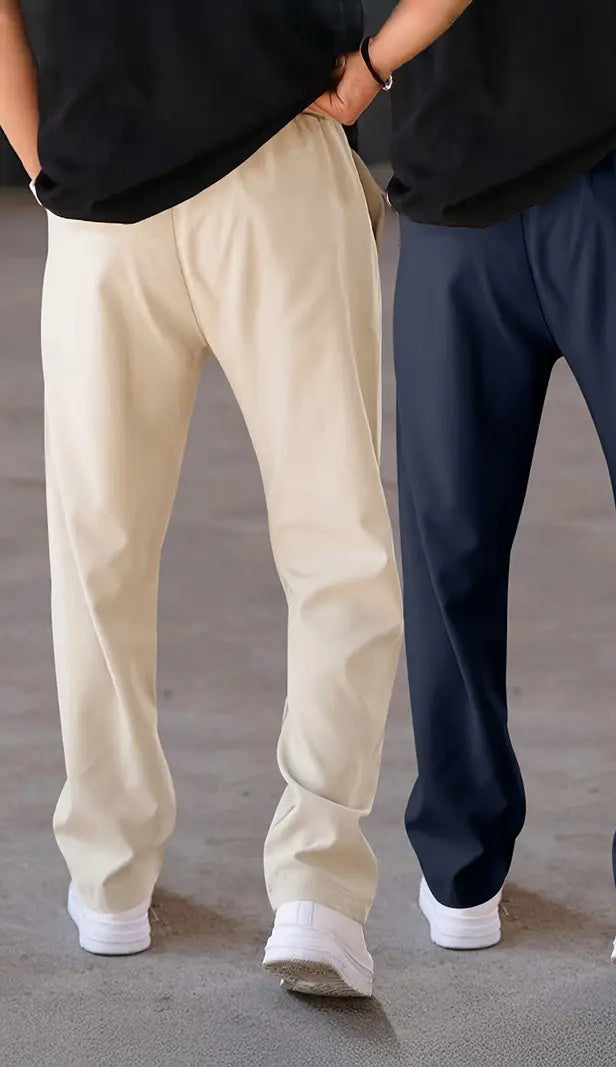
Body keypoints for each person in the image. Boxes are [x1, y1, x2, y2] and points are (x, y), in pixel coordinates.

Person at [0, 0, 466, 999]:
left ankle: (110, 871)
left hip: (106, 188)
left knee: (99, 554)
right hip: (273, 167)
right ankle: (317, 887)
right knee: (334, 540)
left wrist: (45, 158)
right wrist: (374, 66)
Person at [319, 0, 616, 993]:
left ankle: (570, 871)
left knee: (519, 547)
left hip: (560, 179)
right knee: (509, 545)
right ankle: (546, 867)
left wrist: (369, 68)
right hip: (529, 186)